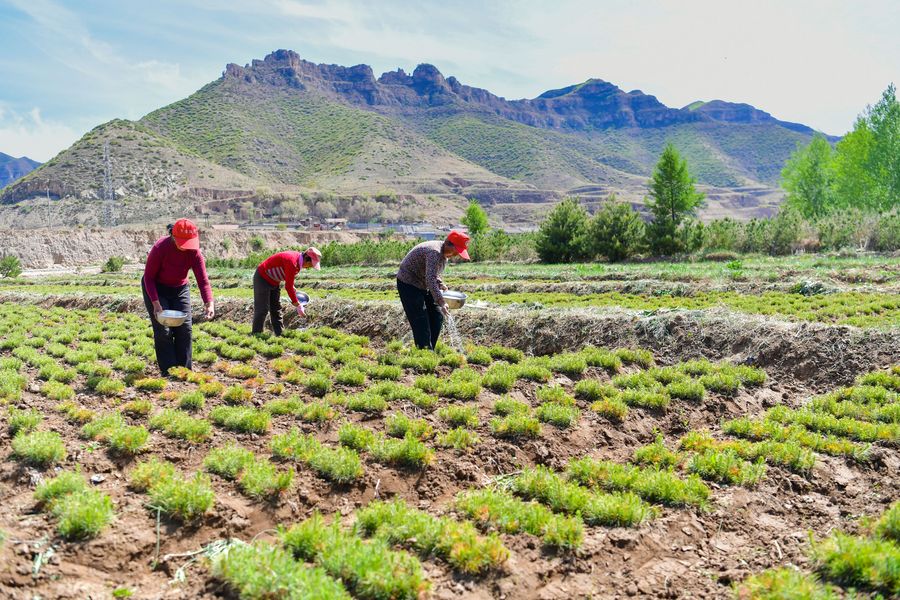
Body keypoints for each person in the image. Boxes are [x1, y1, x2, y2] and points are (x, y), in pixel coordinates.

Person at [141, 219, 215, 375]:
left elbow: (203, 280)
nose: (186, 246)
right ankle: (168, 371)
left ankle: (183, 371)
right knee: (163, 330)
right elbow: (148, 278)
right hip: (156, 288)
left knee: (185, 328)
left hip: (180, 288)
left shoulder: (194, 252)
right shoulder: (161, 247)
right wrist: (156, 303)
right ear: (173, 237)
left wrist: (209, 303)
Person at [396, 230, 470, 350]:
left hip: (423, 283)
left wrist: (440, 284)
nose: (458, 254)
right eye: (458, 250)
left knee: (437, 316)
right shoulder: (434, 253)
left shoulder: (444, 254)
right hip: (408, 284)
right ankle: (424, 354)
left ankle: (429, 349)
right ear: (449, 245)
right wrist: (442, 301)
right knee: (421, 320)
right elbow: (430, 279)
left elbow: (432, 274)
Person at [252, 247, 322, 335]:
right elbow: (288, 287)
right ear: (307, 259)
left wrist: (293, 288)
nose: (309, 267)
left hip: (274, 280)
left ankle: (280, 333)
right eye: (310, 265)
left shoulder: (297, 262)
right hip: (262, 277)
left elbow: (288, 278)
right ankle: (256, 334)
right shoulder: (292, 262)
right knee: (262, 309)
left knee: (276, 308)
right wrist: (297, 304)